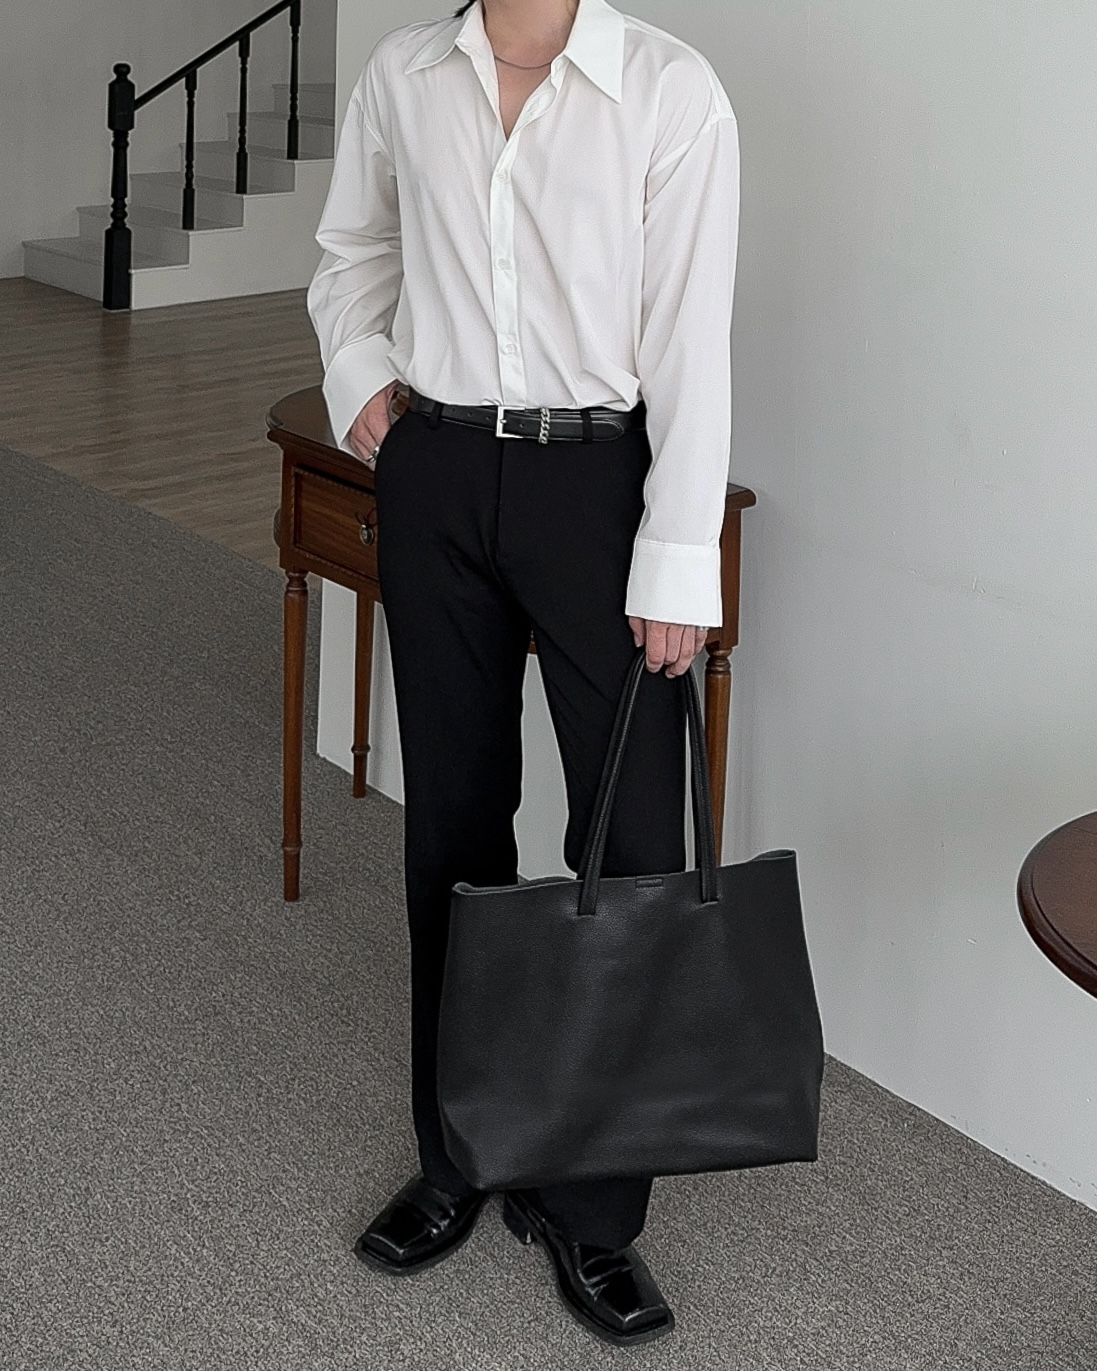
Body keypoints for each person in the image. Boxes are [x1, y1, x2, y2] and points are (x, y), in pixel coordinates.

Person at [306, 0, 739, 1348]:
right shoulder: (402, 73)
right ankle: (459, 1154)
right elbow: (352, 250)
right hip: (436, 473)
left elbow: (690, 330)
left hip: (595, 485)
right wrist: (361, 373)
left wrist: (677, 555)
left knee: (633, 846)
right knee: (452, 828)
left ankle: (594, 1210)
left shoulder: (669, 90)